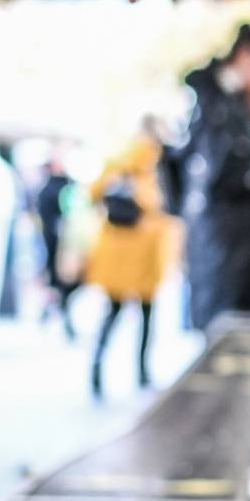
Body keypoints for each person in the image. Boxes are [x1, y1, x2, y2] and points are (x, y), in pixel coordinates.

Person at [179, 25, 250, 330]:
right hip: (222, 253)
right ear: (247, 57)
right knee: (222, 333)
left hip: (230, 250)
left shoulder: (226, 105)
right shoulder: (216, 106)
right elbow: (224, 175)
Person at [84, 122, 172, 396]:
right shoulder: (156, 165)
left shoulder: (117, 162)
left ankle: (97, 367)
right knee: (146, 315)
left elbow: (92, 194)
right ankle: (142, 372)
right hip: (144, 251)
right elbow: (160, 205)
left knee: (113, 311)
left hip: (116, 249)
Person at [33, 151, 81, 339]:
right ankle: (58, 314)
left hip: (68, 242)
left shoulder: (66, 185)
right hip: (56, 242)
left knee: (63, 281)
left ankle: (53, 311)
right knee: (57, 280)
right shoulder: (53, 187)